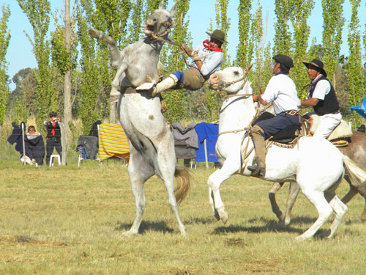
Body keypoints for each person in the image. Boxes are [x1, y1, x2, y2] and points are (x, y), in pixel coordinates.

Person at [248, 54, 302, 177]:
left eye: (274, 64)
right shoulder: (290, 81)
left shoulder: (276, 79)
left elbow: (265, 101)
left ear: (278, 66)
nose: (273, 66)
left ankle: (260, 165)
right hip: (296, 117)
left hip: (287, 117)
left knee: (257, 129)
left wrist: (253, 97)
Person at [137, 29, 225, 95]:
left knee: (178, 75)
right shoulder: (203, 48)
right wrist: (186, 50)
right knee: (163, 79)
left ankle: (153, 91)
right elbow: (192, 52)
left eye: (215, 42)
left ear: (220, 44)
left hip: (198, 78)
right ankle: (146, 88)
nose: (212, 43)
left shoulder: (218, 56)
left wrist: (195, 56)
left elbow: (204, 71)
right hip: (190, 72)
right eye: (212, 40)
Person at [301, 59, 341, 139]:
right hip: (320, 114)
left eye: (312, 69)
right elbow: (306, 102)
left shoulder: (322, 83)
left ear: (318, 71)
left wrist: (295, 103)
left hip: (331, 116)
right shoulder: (313, 84)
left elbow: (313, 101)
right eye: (308, 68)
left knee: (317, 140)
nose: (308, 71)